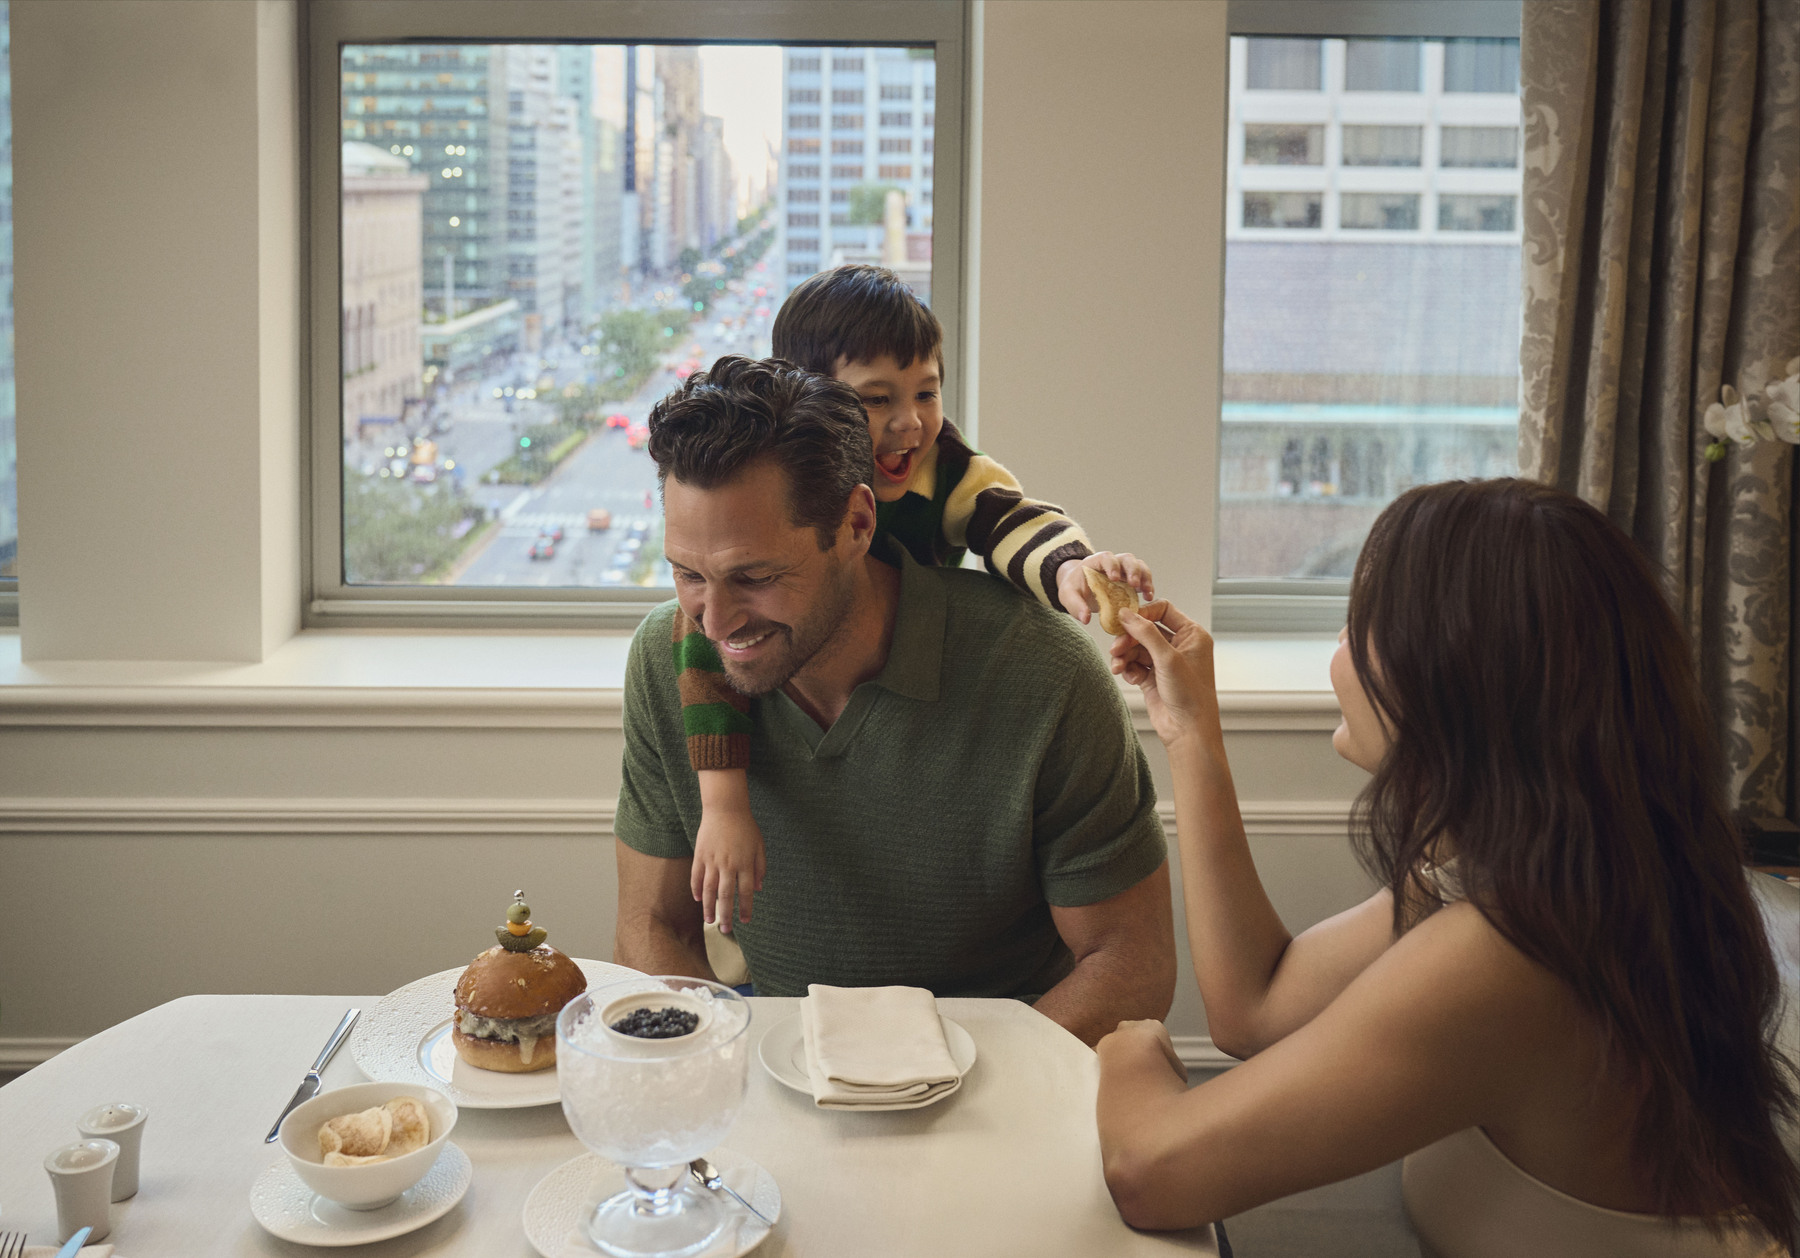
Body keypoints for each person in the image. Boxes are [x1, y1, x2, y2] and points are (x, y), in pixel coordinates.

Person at [1095, 479, 1799, 1255]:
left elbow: (1147, 1169)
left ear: (1451, 676)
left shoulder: (1514, 951)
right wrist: (1192, 732)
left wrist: (1126, 1047)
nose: (1339, 646)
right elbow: (1256, 1006)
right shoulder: (1546, 865)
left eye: (1362, 625)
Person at [612, 355, 1174, 1045]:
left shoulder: (1043, 673)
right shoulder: (667, 658)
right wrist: (737, 1080)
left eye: (753, 577)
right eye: (687, 573)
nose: (716, 621)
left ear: (855, 524)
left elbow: (1131, 966)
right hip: (775, 1068)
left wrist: (952, 1095)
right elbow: (651, 927)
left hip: (1003, 1087)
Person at [681, 265, 1153, 933]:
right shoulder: (776, 490)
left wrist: (1071, 570)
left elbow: (1012, 521)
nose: (910, 423)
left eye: (926, 392)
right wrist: (725, 802)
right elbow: (709, 637)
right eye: (877, 400)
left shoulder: (945, 469)